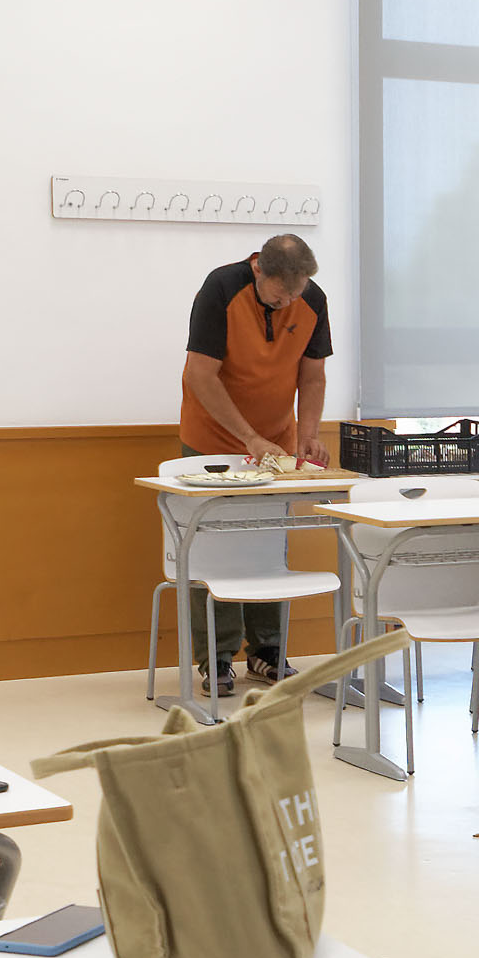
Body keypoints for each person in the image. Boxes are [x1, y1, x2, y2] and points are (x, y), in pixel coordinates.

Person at [178, 232, 332, 683]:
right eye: (281, 292)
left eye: (296, 292)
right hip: (211, 440)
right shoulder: (221, 289)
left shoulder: (312, 299)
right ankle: (218, 657)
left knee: (268, 544)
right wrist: (248, 438)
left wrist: (307, 435)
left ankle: (268, 650)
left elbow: (314, 373)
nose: (288, 302)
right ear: (259, 270)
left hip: (275, 439)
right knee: (215, 548)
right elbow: (201, 375)